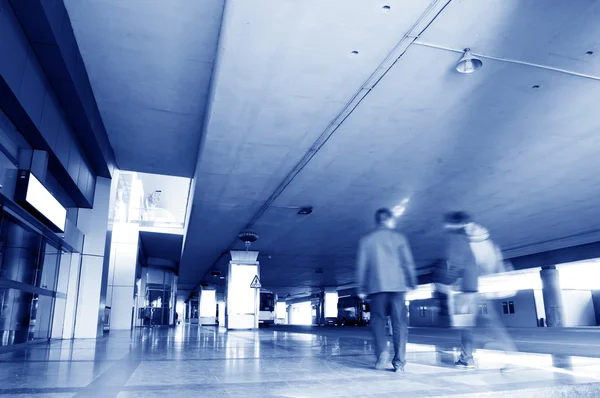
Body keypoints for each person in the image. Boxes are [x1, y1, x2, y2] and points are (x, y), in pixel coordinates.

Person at [443, 211, 516, 370]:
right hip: (478, 287)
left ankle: (467, 358)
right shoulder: (483, 238)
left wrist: (448, 281)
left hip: (465, 288)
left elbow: (455, 263)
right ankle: (509, 355)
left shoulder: (458, 238)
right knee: (488, 323)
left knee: (466, 324)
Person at [356, 208, 417, 372]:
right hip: (397, 287)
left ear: (377, 221)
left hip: (377, 288)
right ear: (390, 220)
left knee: (377, 321)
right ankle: (399, 363)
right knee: (399, 324)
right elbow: (408, 263)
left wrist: (361, 287)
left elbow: (362, 266)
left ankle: (382, 351)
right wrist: (413, 281)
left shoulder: (367, 240)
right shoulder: (399, 237)